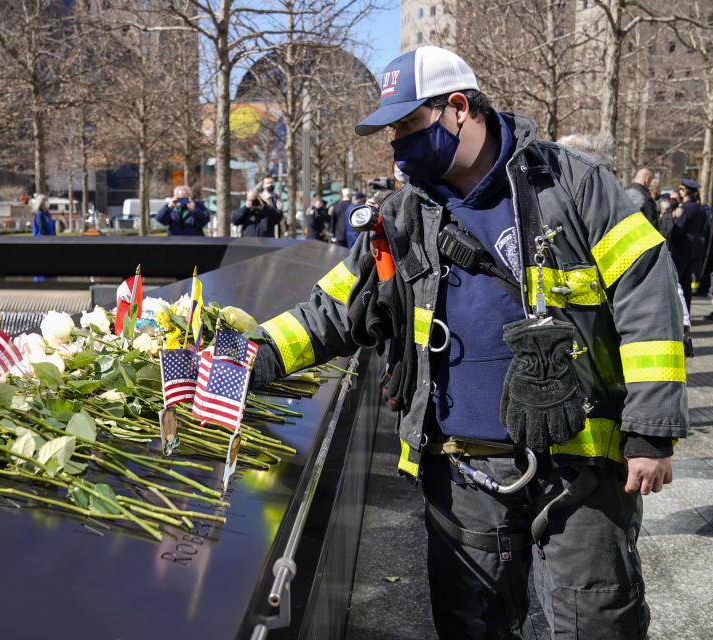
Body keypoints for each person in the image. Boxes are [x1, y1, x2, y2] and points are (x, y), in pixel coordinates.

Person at [250, 46, 684, 638]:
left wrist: (652, 430)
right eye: (391, 131)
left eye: (407, 125)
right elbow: (330, 312)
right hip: (463, 473)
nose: (396, 143)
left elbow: (647, 295)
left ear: (458, 108)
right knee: (471, 624)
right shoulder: (400, 217)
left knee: (598, 621)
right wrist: (237, 360)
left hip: (581, 466)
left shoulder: (572, 183)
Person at [668, 178, 706, 310]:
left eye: (681, 190)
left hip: (683, 246)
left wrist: (670, 242)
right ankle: (687, 312)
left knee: (677, 281)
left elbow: (678, 229)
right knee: (687, 282)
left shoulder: (685, 208)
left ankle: (679, 313)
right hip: (696, 246)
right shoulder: (700, 208)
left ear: (685, 192)